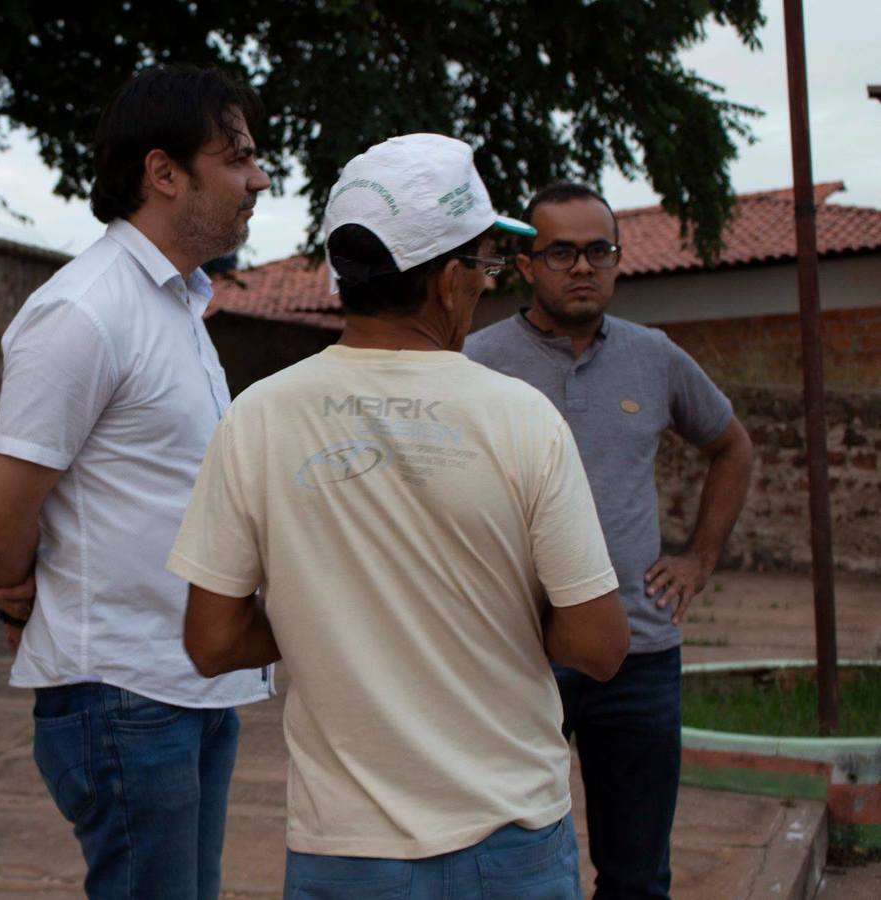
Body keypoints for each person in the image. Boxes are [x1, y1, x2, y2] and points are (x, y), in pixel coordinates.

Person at [169, 134, 631, 899]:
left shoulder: (259, 417)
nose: (484, 287)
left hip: (341, 850)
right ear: (451, 281)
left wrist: (334, 615)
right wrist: (485, 609)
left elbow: (212, 641)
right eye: (485, 267)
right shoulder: (523, 418)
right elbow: (602, 644)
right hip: (506, 840)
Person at [0, 65, 274, 899]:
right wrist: (16, 600)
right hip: (124, 697)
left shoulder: (177, 308)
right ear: (164, 172)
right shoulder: (86, 311)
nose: (260, 177)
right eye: (238, 156)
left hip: (187, 686)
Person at [464, 182, 753, 899]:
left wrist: (698, 559)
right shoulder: (474, 361)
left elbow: (732, 446)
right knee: (501, 860)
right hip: (517, 653)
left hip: (640, 652)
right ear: (526, 266)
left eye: (599, 250)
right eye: (560, 251)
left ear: (619, 260)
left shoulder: (654, 358)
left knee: (637, 873)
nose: (583, 266)